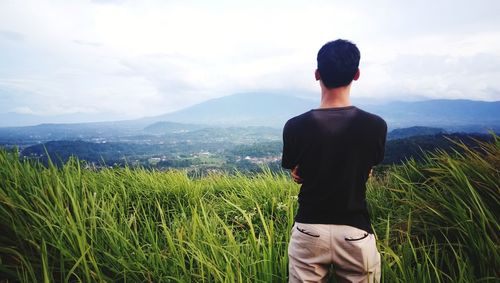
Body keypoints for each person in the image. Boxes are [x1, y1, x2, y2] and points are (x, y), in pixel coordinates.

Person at [282, 39, 387, 283]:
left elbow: (297, 170)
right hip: (355, 231)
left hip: (309, 228)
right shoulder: (375, 126)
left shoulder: (295, 126)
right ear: (357, 74)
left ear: (317, 74)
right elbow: (367, 168)